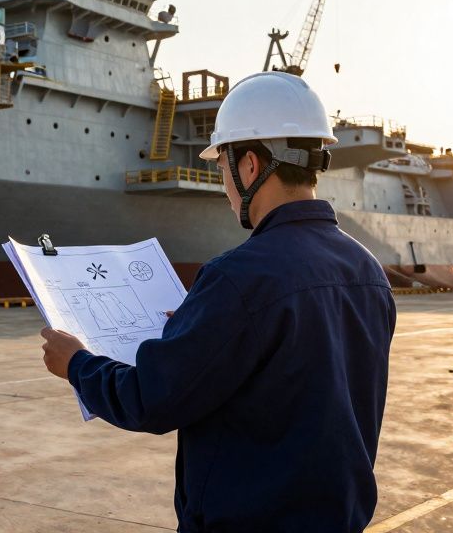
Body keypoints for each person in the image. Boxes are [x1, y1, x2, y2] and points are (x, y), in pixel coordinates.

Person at [39, 72, 396, 532]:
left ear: (249, 166)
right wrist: (202, 326)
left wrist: (76, 364)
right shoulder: (368, 271)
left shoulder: (239, 277)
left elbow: (151, 400)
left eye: (222, 168)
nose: (224, 185)